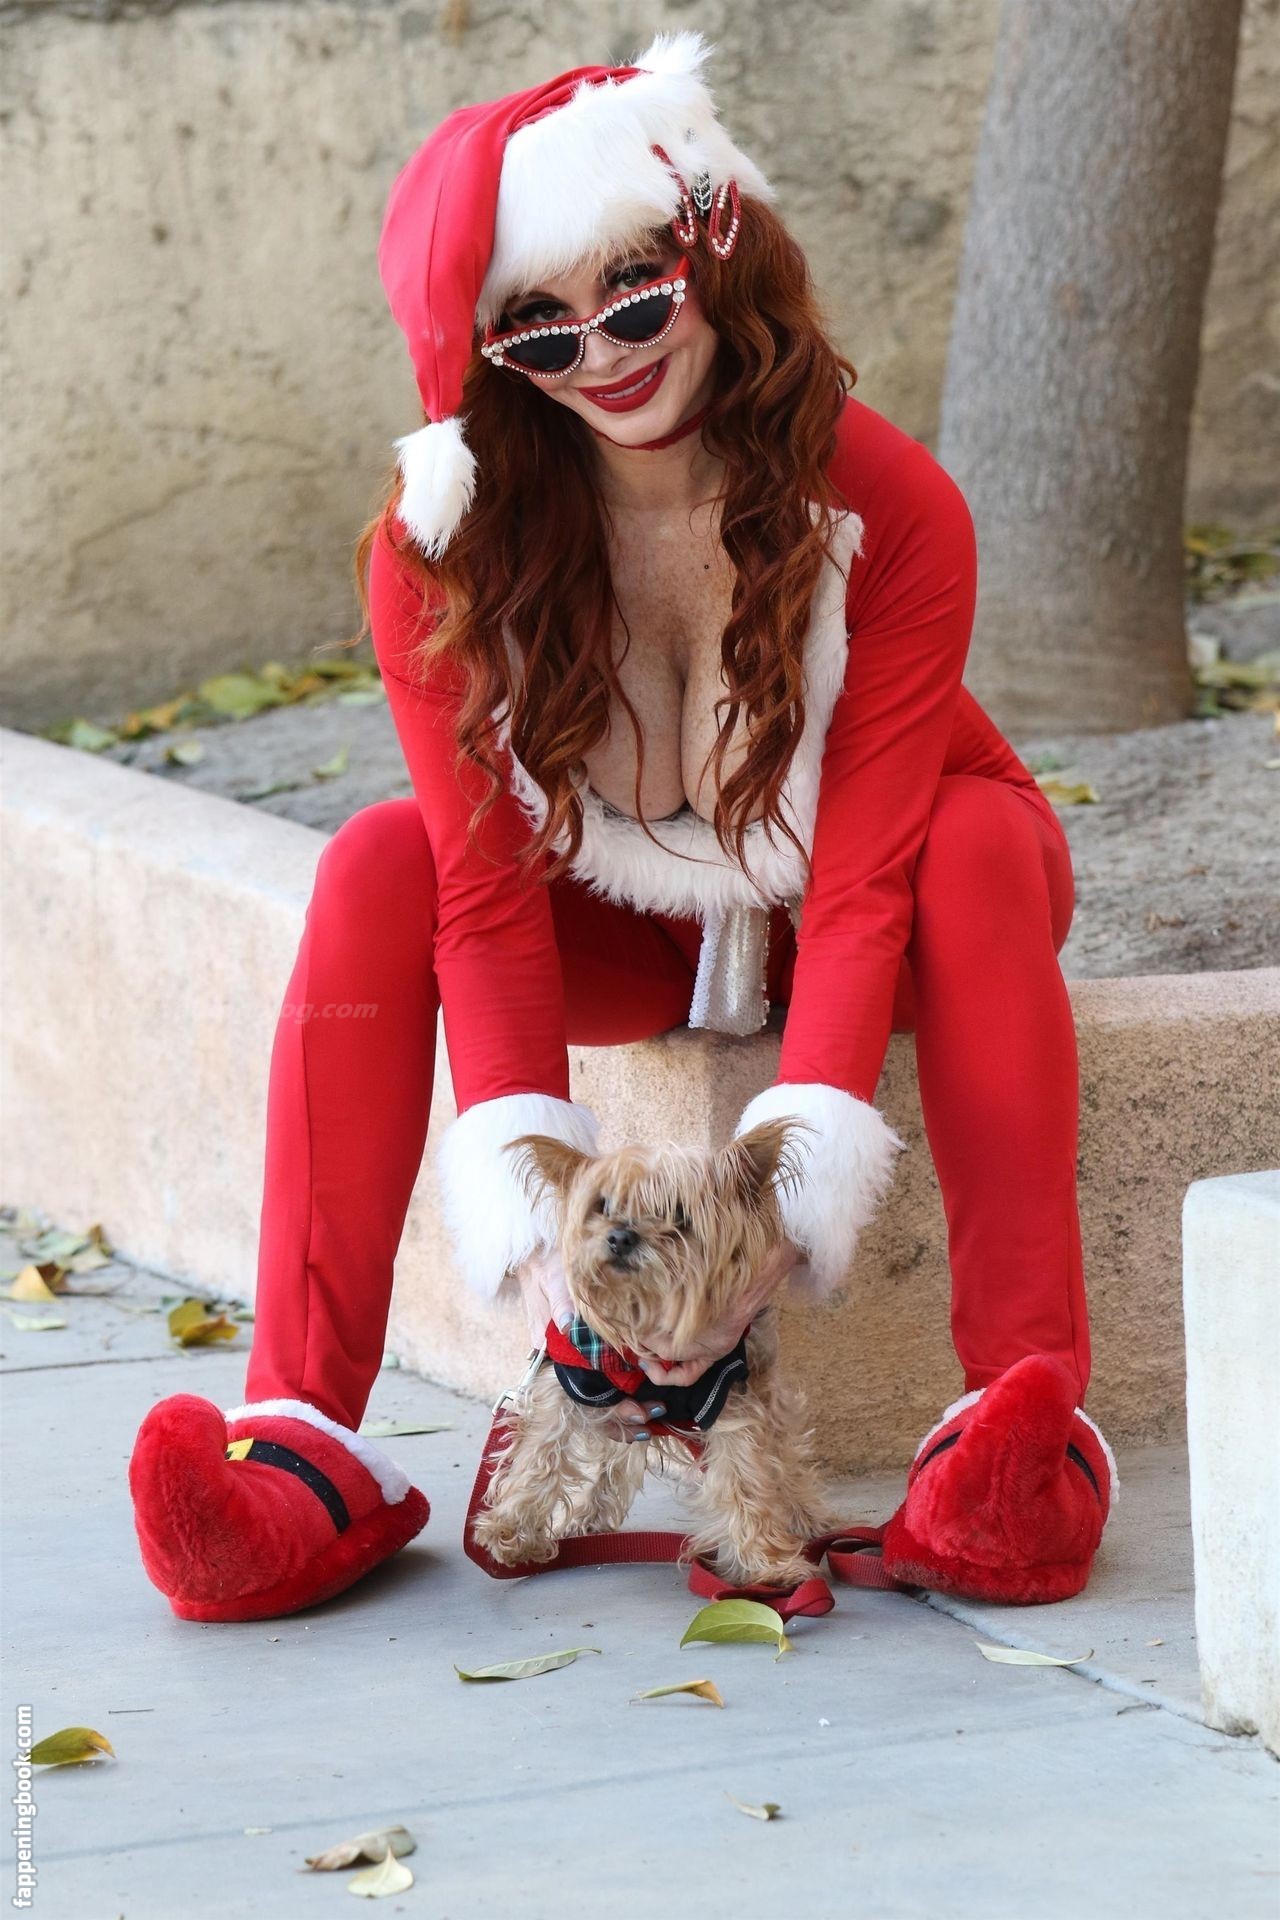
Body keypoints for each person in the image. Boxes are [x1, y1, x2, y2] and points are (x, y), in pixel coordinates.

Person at [128, 28, 1116, 1623]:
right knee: (376, 861)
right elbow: (480, 896)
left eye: (636, 293)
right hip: (630, 922)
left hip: (887, 891)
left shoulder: (895, 506)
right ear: (487, 358)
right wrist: (549, 1256)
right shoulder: (437, 555)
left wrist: (776, 1228)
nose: (602, 353)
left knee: (981, 841)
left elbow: (865, 883)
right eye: (538, 328)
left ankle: (1021, 1427)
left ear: (709, 246)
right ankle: (297, 1443)